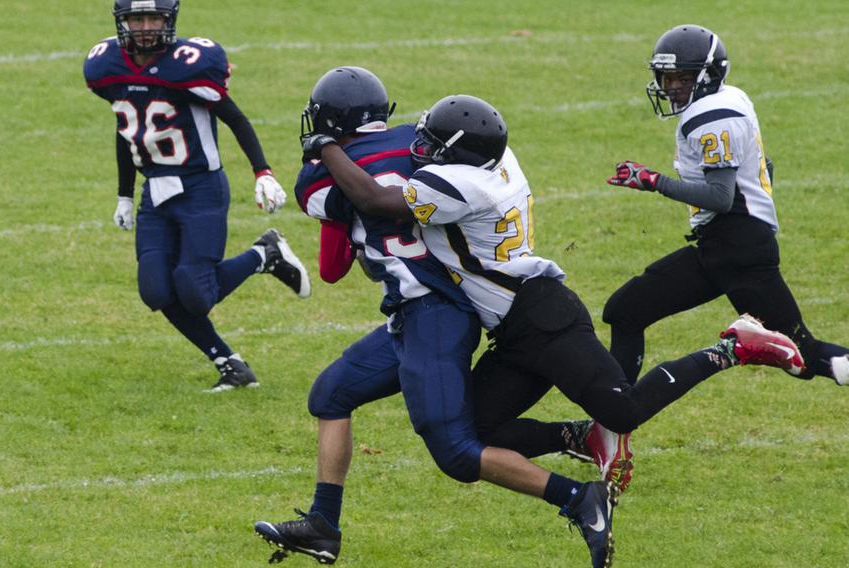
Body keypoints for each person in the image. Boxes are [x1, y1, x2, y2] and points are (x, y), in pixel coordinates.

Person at [303, 93, 807, 567]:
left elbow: (372, 198)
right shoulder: (498, 163)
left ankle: (732, 347)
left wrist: (326, 145)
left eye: (434, 147)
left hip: (545, 319)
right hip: (514, 328)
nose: (420, 151)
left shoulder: (458, 186)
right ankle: (580, 438)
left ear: (461, 156)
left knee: (623, 408)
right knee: (476, 434)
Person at [255, 68, 628, 568]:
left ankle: (579, 499)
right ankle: (323, 526)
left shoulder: (321, 178)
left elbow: (333, 254)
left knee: (456, 453)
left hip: (432, 313)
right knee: (331, 394)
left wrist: (324, 153)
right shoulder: (420, 141)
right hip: (417, 313)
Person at [83, 0, 310, 391]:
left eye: (153, 17)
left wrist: (263, 171)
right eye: (136, 18)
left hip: (201, 189)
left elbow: (235, 118)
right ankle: (231, 365)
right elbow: (128, 128)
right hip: (155, 190)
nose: (145, 27)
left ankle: (266, 254)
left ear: (168, 20)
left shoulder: (189, 63)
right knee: (155, 289)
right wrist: (124, 194)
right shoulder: (108, 66)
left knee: (194, 291)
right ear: (122, 22)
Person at [603, 24, 849, 386]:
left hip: (738, 249)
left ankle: (613, 414)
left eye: (682, 78)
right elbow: (764, 169)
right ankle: (612, 415)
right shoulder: (729, 99)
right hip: (723, 248)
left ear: (708, 76)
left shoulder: (713, 117)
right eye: (667, 78)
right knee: (624, 311)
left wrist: (654, 181)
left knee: (805, 355)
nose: (671, 87)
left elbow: (720, 197)